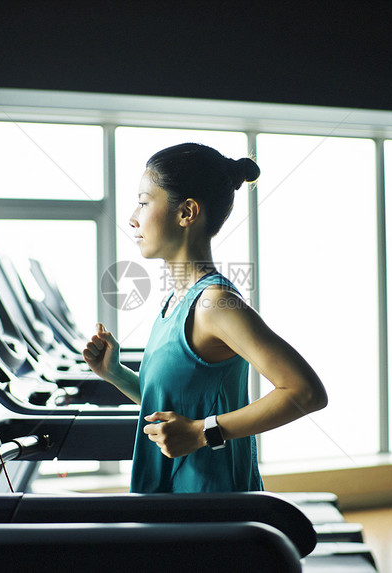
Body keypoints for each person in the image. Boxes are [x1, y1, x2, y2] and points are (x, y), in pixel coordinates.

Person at [83, 142, 328, 493]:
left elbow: (306, 392)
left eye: (143, 201)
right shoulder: (175, 301)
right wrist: (115, 374)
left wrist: (202, 433)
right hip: (172, 508)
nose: (132, 218)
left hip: (212, 510)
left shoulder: (215, 303)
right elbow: (174, 407)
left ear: (187, 213)